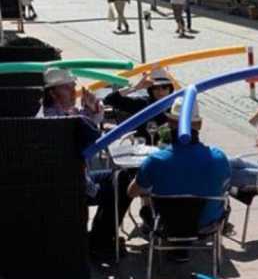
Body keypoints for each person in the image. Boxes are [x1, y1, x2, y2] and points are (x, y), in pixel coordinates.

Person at [41, 68, 132, 259]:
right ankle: (101, 241)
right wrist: (90, 113)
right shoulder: (58, 121)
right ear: (52, 93)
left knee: (121, 177)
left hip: (71, 179)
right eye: (68, 87)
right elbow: (89, 135)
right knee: (123, 186)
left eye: (73, 86)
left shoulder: (57, 113)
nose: (74, 91)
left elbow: (84, 124)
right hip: (73, 186)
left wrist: (90, 110)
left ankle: (101, 236)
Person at [128, 97, 230, 262]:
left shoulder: (156, 160)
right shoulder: (219, 157)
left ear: (169, 123)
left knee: (146, 194)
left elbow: (131, 192)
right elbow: (225, 185)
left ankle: (170, 245)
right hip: (206, 225)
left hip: (166, 224)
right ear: (199, 125)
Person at [103, 67, 175, 144]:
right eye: (156, 88)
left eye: (164, 87)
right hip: (144, 149)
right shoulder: (143, 103)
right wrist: (136, 87)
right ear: (151, 90)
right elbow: (109, 100)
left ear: (170, 89)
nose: (160, 91)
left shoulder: (177, 105)